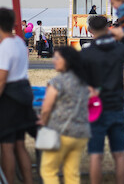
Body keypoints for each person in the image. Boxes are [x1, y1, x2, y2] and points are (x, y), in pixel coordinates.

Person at [81, 14, 124, 184]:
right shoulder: (118, 49)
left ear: (90, 30)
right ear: (108, 28)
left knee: (95, 154)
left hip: (95, 107)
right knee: (119, 154)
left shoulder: (86, 53)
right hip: (116, 105)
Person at [0, 8, 36, 184]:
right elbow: (6, 43)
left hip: (9, 99)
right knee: (20, 145)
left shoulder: (4, 48)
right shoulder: (18, 41)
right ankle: (28, 181)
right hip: (23, 94)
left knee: (7, 147)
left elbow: (1, 80)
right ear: (14, 23)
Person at [39, 46, 90, 184]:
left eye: (57, 58)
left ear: (67, 61)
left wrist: (43, 121)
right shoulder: (83, 81)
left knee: (48, 171)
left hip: (61, 132)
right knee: (71, 173)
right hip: (80, 133)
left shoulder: (57, 82)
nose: (53, 61)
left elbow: (46, 108)